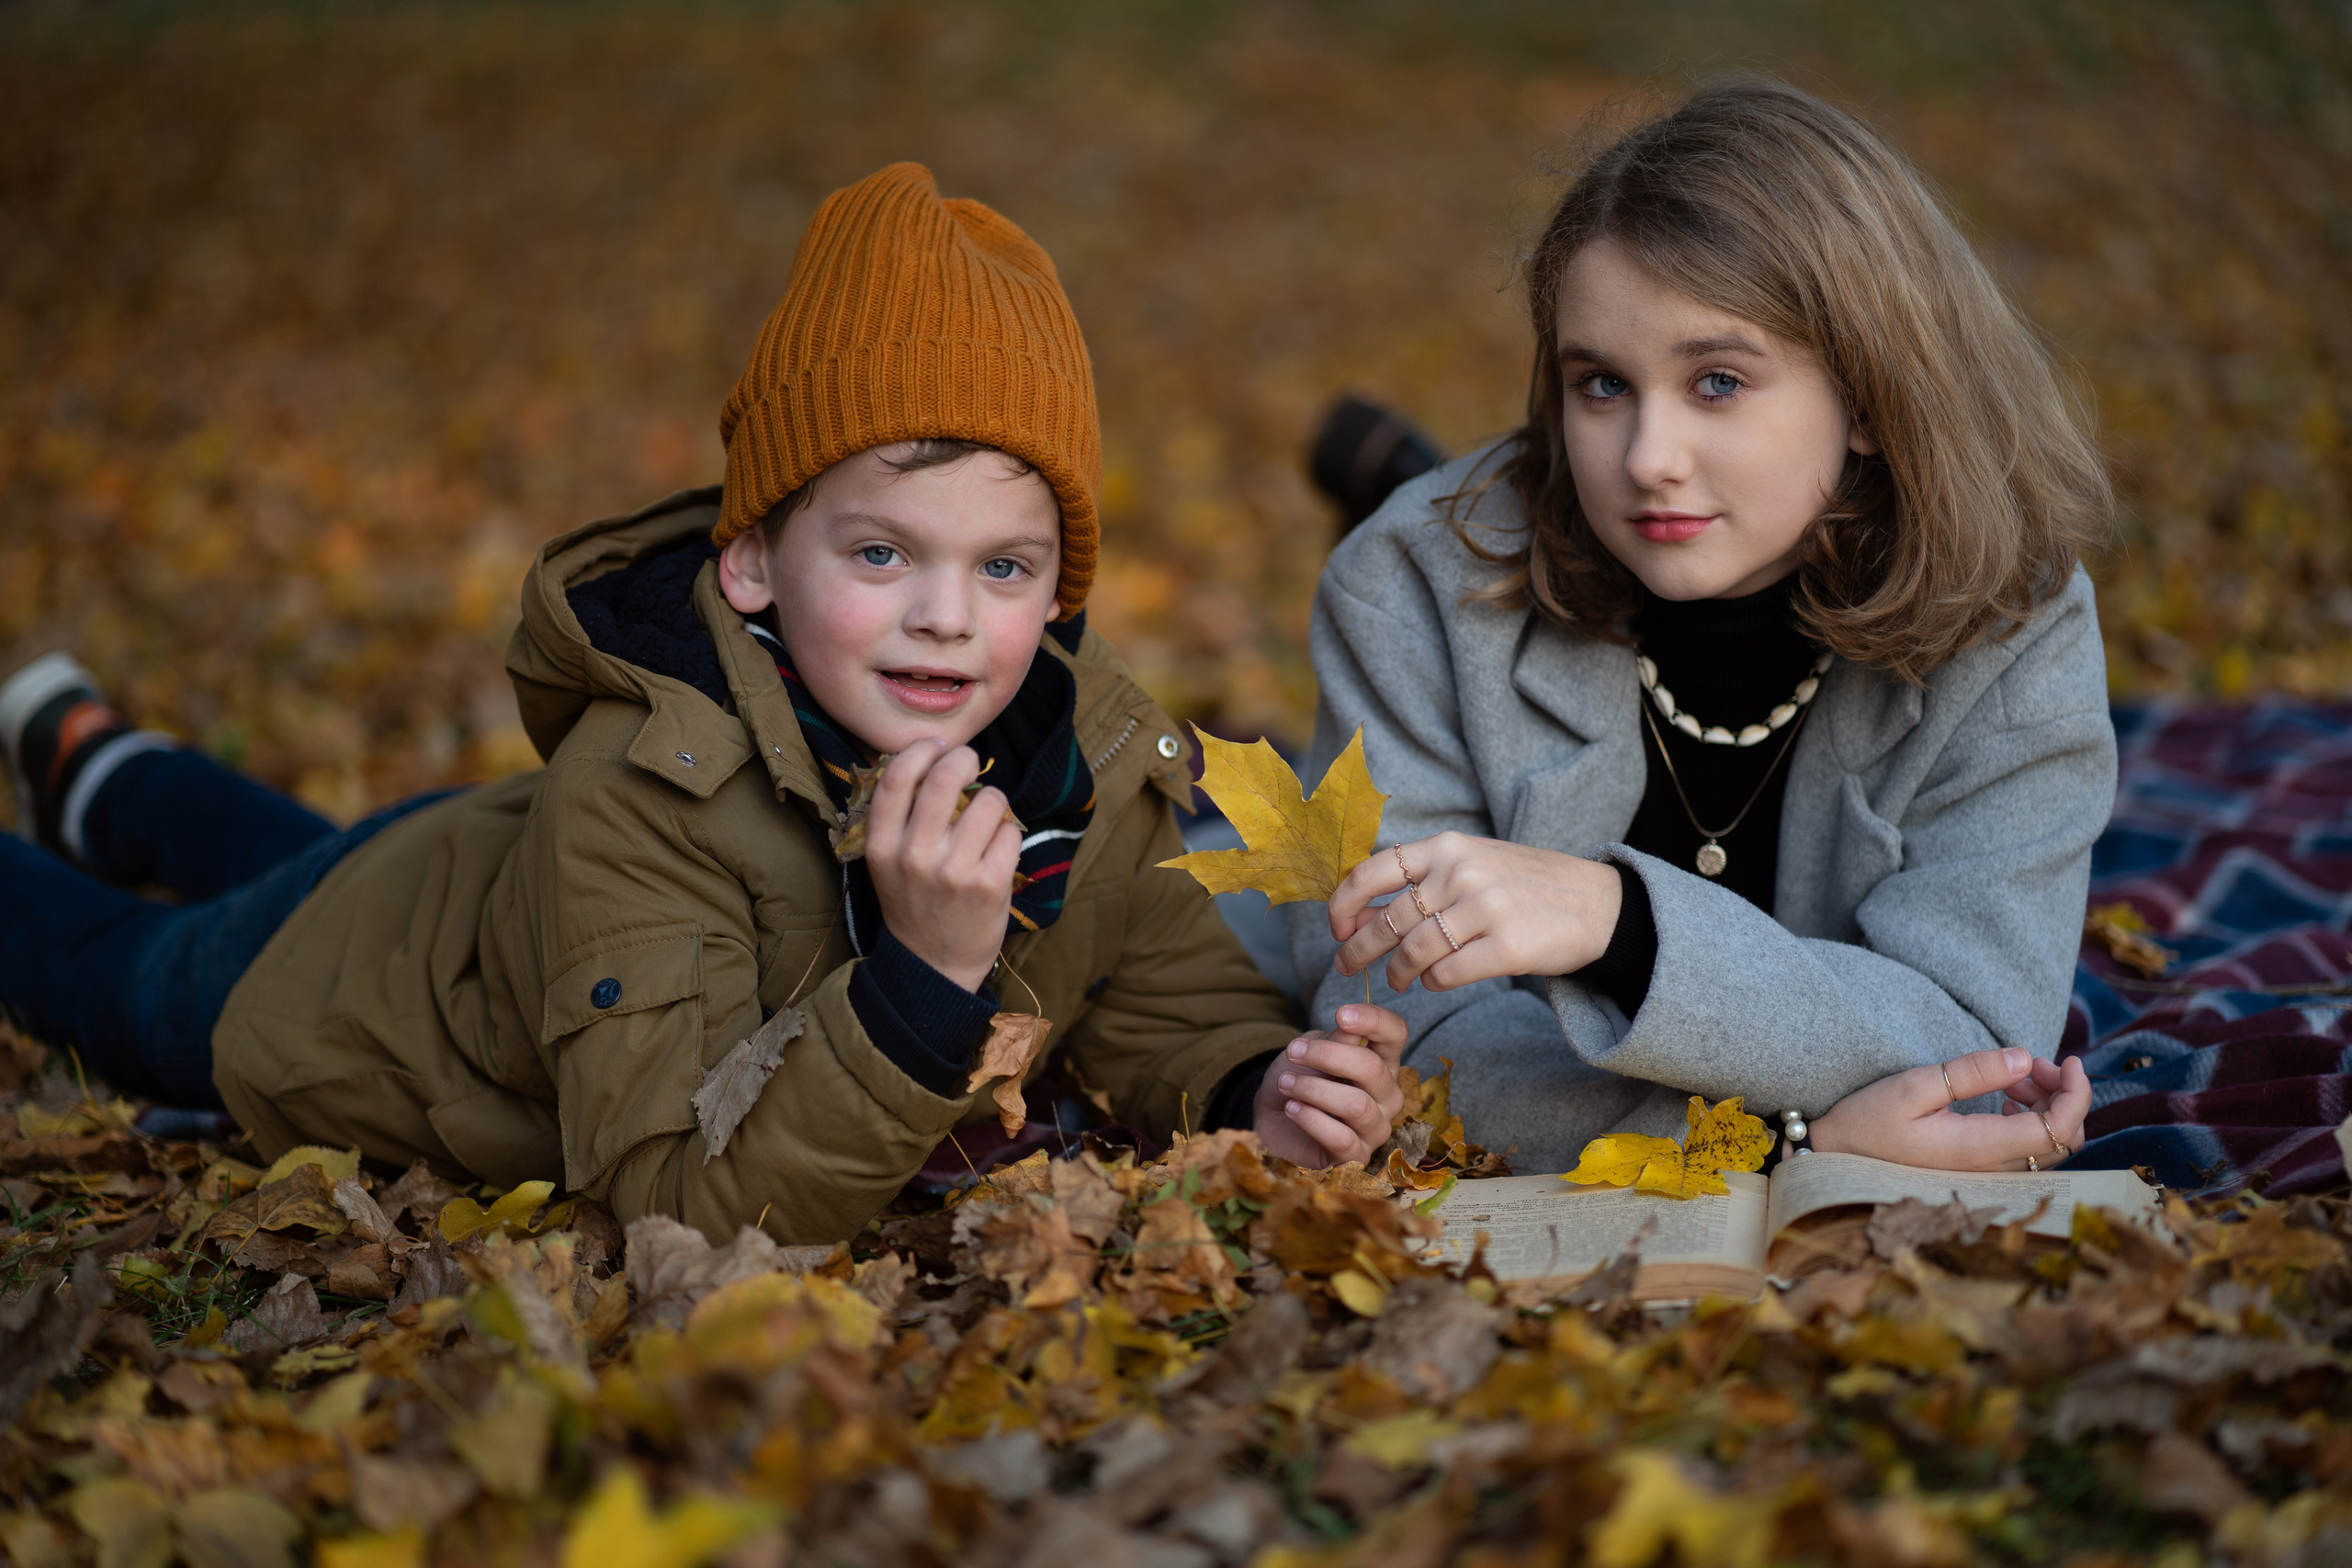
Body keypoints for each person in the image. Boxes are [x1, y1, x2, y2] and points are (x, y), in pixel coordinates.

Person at [0, 162, 1410, 1243]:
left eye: (1005, 564)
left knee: (296, 854)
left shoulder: (1078, 758)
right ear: (750, 560)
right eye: (878, 551)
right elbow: (669, 1196)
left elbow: (1159, 1001)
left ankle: (102, 768)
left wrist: (1250, 1091)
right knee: (123, 977)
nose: (945, 613)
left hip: (478, 885)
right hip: (363, 983)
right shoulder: (643, 787)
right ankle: (89, 795)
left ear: (1060, 591)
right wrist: (921, 986)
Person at [1298, 79, 2109, 1176]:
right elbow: (1408, 1047)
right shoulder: (1408, 591)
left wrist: (1616, 920)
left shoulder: (2012, 617)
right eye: (1602, 386)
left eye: (1716, 382)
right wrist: (1787, 1144)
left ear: (1869, 397)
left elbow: (1971, 1041)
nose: (1646, 458)